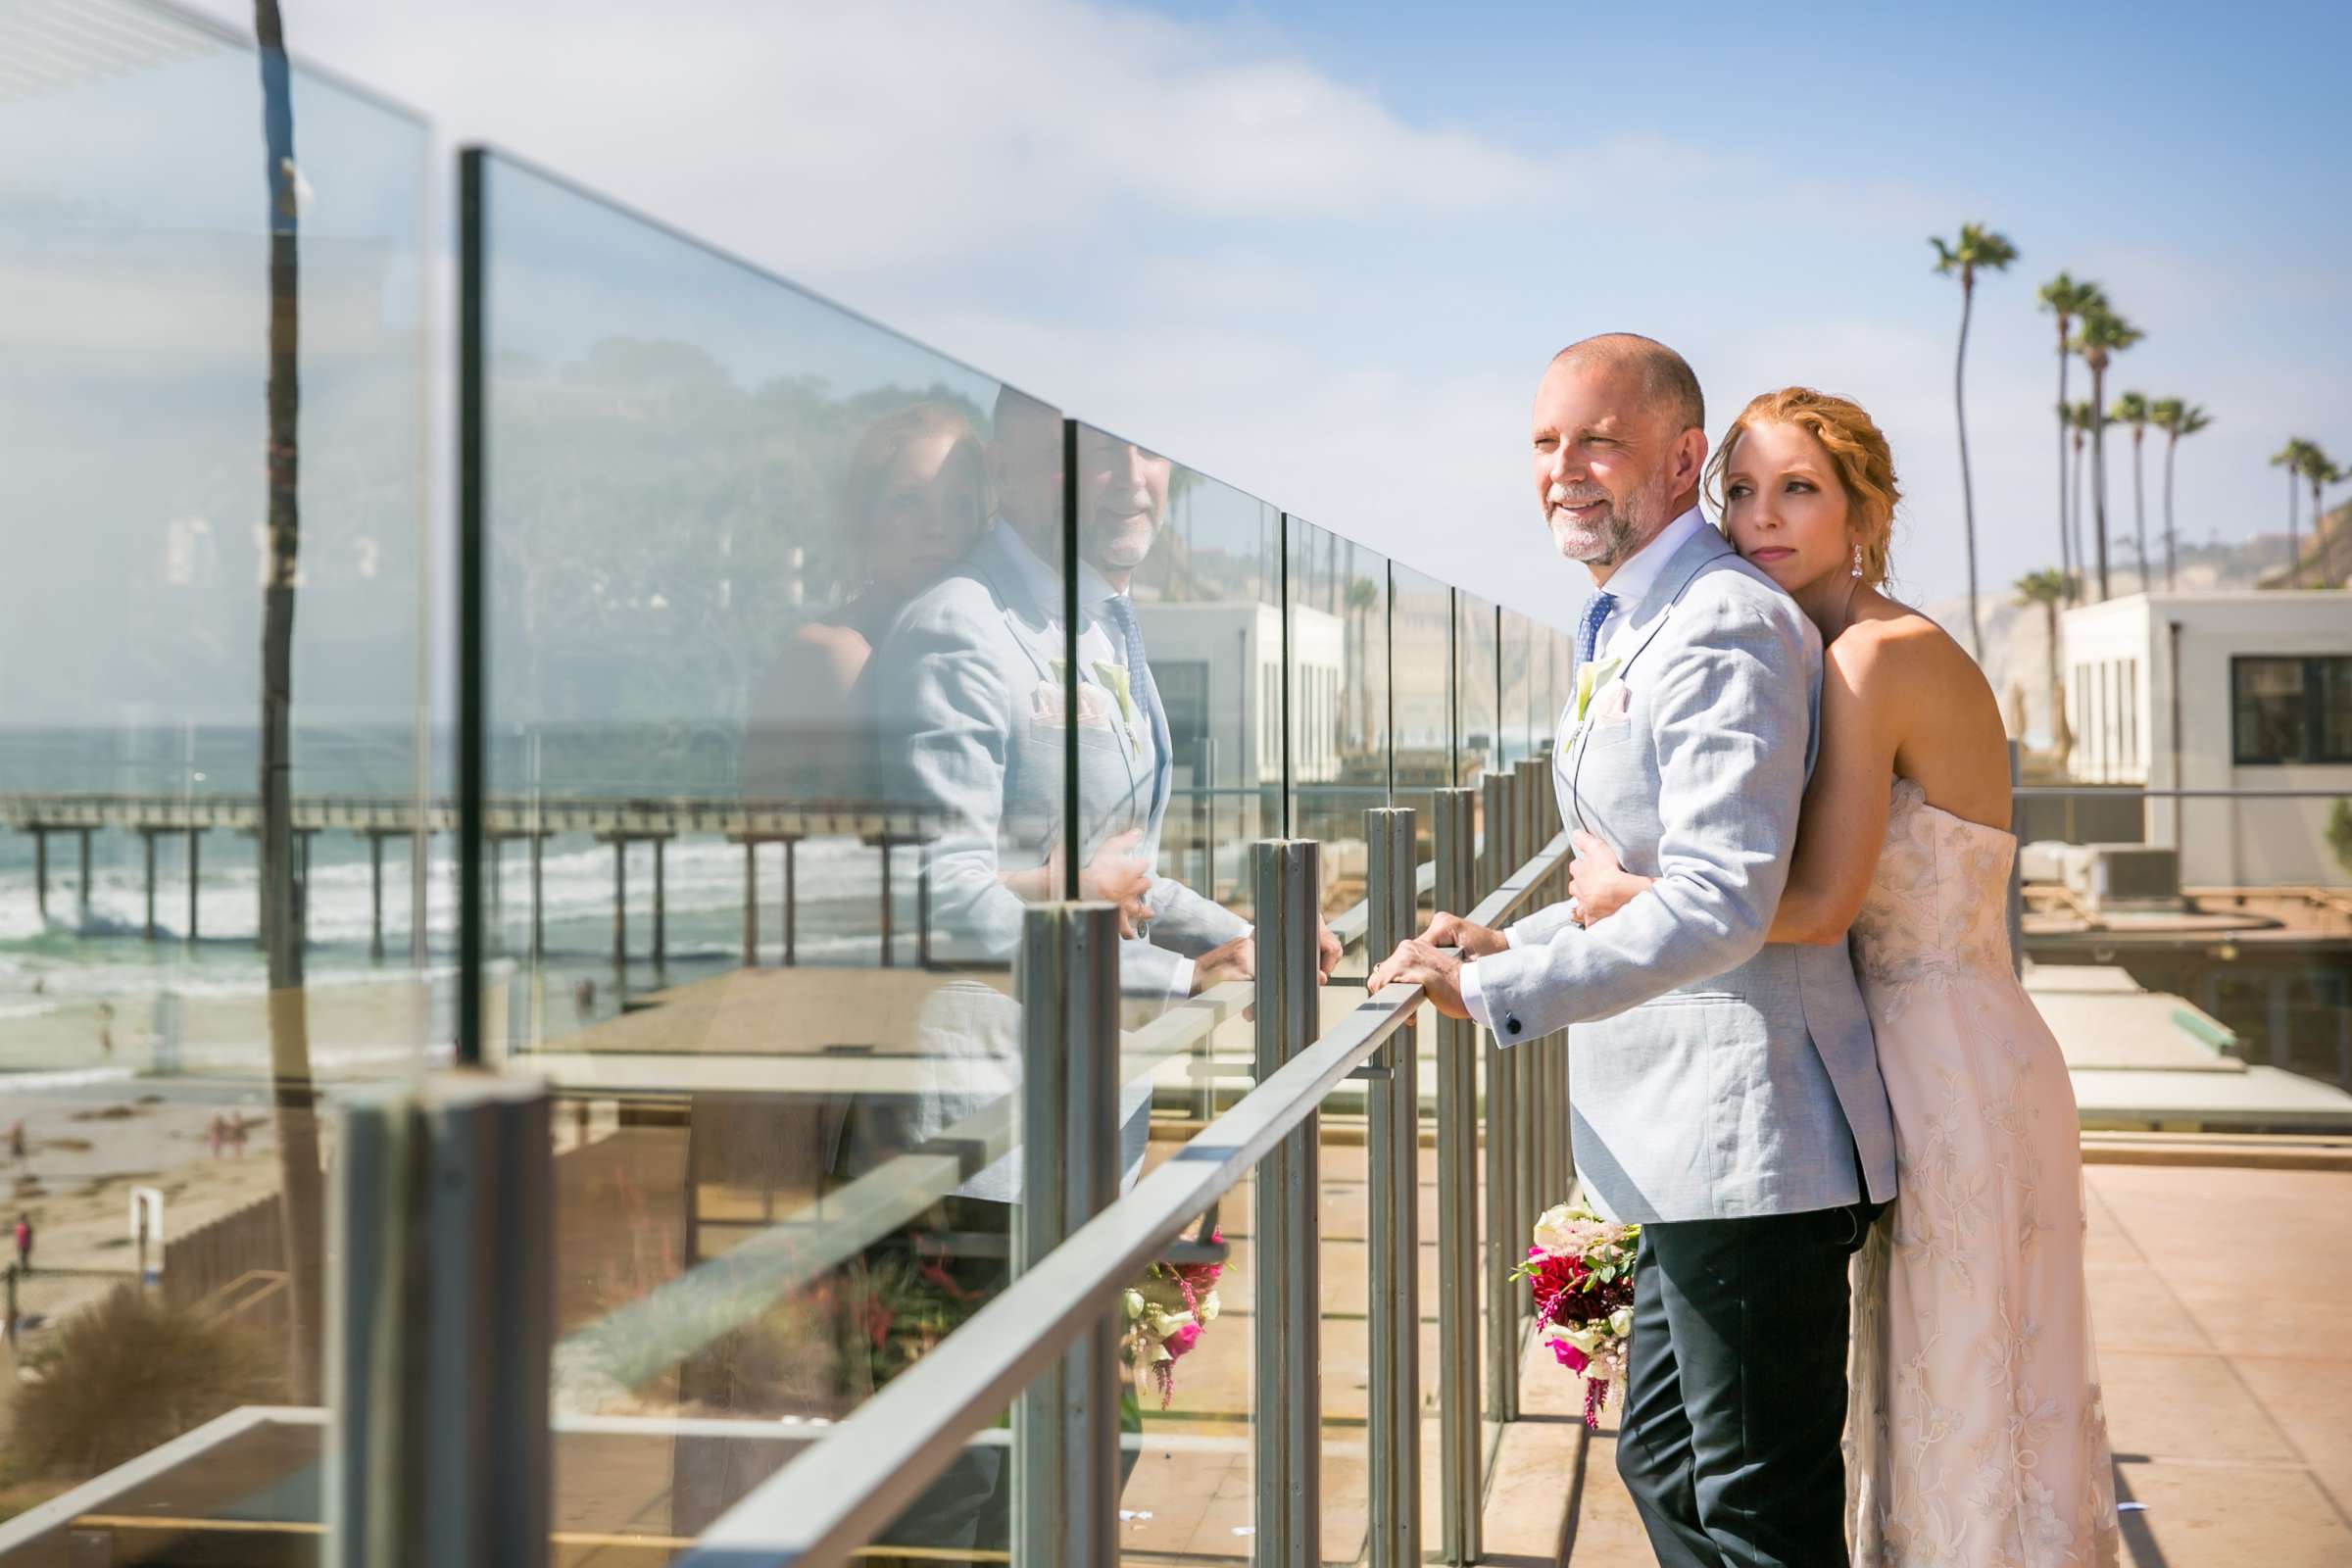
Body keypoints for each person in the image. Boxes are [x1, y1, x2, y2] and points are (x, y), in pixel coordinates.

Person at [1564, 387, 2120, 1566]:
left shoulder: (1877, 655)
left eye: (1799, 489)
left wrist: (1626, 896)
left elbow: (1812, 908)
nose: (1762, 517)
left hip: (1952, 1058)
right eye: (1742, 490)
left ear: (1865, 510)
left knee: (1966, 1407)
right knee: (1893, 1408)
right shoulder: (1799, 648)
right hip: (1875, 1054)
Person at [1369, 335, 1896, 1568]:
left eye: (1597, 441)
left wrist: (1499, 986)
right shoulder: (1633, 615)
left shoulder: (1722, 623)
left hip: (1751, 1149)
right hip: (1683, 1153)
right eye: (1547, 444)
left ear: (1678, 459)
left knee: (1756, 1519)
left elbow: (1717, 898)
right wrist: (1517, 930)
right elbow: (1630, 869)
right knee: (1666, 1467)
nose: (1566, 470)